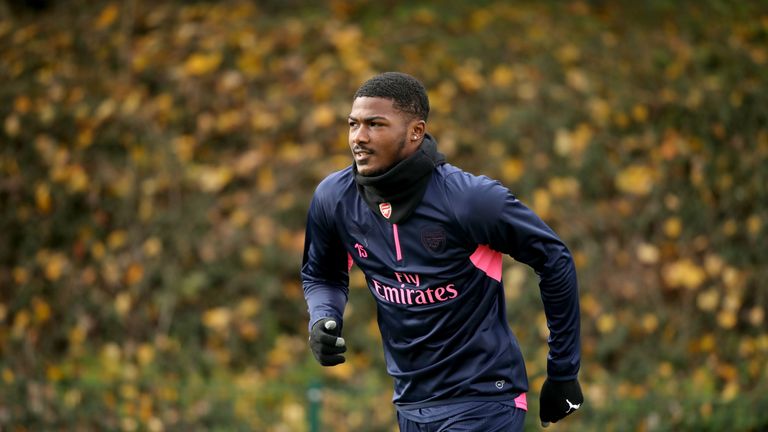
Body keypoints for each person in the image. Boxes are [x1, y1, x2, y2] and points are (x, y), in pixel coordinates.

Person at [301, 71, 583, 431]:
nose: (359, 137)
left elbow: (554, 258)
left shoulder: (469, 200)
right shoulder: (334, 198)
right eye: (353, 124)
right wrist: (323, 316)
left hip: (484, 398)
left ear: (416, 132)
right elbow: (322, 273)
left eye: (375, 124)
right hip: (410, 402)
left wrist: (562, 371)